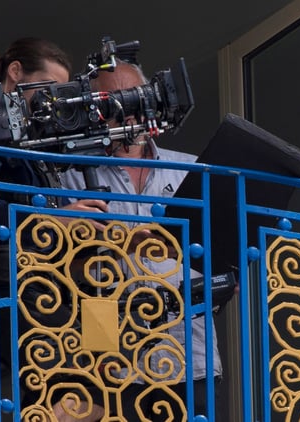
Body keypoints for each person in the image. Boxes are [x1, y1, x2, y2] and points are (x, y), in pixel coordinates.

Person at [58, 61, 223, 421]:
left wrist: (226, 276)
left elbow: (218, 249)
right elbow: (59, 272)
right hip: (111, 360)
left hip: (189, 353)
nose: (124, 111)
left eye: (132, 98)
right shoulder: (71, 177)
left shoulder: (192, 169)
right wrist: (122, 246)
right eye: (111, 101)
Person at [0, 37, 107, 422]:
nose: (52, 102)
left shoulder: (31, 142)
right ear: (16, 73)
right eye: (46, 89)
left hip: (43, 283)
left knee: (70, 393)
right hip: (9, 280)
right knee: (75, 394)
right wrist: (56, 219)